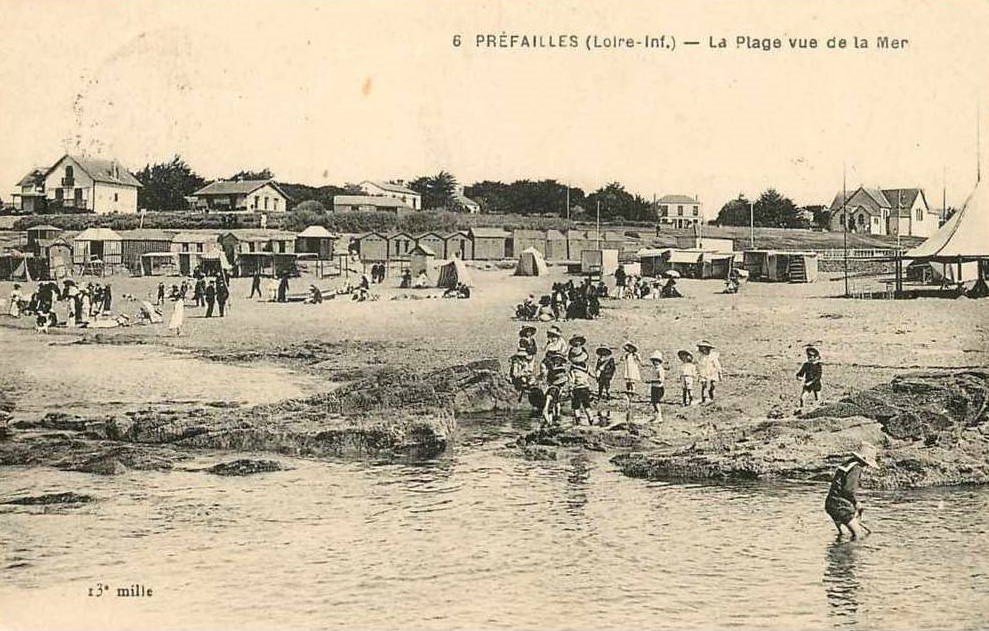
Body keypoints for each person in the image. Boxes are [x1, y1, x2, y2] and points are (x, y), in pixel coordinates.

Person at [825, 443, 879, 539]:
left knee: (843, 535)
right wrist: (856, 503)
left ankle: (837, 552)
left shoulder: (848, 463)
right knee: (858, 535)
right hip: (840, 506)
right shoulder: (856, 468)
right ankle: (851, 552)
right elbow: (848, 490)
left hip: (831, 503)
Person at [541, 354, 568, 427]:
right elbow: (548, 380)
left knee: (551, 400)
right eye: (556, 359)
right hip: (552, 386)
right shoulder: (551, 370)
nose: (557, 361)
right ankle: (550, 421)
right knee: (552, 405)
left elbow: (563, 381)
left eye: (559, 360)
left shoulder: (561, 370)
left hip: (556, 388)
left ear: (561, 361)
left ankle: (549, 416)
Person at [797, 345, 823, 410]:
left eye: (811, 357)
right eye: (808, 357)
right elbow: (800, 373)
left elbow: (818, 377)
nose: (809, 358)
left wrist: (810, 382)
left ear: (816, 357)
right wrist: (799, 377)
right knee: (802, 398)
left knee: (818, 399)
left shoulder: (818, 366)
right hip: (807, 385)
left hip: (816, 384)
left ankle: (818, 411)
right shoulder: (806, 365)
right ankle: (802, 409)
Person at [569, 358, 594, 425]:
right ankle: (591, 420)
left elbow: (572, 380)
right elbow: (593, 375)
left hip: (577, 389)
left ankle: (578, 421)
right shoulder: (587, 367)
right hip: (586, 388)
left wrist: (570, 389)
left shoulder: (573, 369)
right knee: (587, 406)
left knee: (576, 406)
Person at [648, 351, 667, 423]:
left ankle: (659, 416)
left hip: (658, 387)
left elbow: (661, 380)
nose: (655, 362)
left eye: (657, 361)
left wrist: (652, 381)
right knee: (653, 402)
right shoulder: (653, 368)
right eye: (654, 360)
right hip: (654, 387)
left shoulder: (660, 369)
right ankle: (656, 416)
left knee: (656, 402)